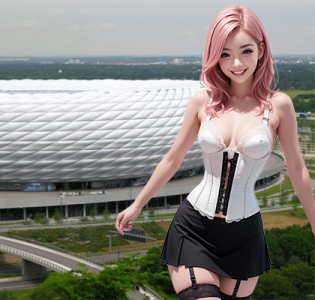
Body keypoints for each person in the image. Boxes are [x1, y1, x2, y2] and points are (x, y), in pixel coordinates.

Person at [115, 6, 315, 300]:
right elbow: (173, 158)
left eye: (245, 51)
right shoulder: (202, 101)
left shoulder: (280, 106)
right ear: (213, 55)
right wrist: (138, 205)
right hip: (194, 226)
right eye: (224, 53)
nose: (236, 62)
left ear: (261, 49)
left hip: (244, 235)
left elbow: (297, 170)